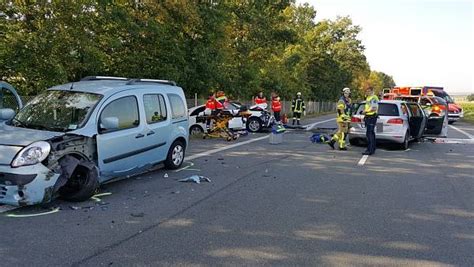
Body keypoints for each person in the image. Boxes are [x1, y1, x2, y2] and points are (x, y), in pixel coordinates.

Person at [362, 87, 379, 155]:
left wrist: (365, 111)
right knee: (370, 133)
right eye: (367, 91)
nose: (367, 92)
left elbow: (374, 108)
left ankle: (369, 150)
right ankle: (372, 148)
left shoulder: (374, 98)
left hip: (371, 117)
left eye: (369, 91)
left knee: (369, 134)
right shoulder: (368, 98)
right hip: (368, 116)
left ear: (372, 91)